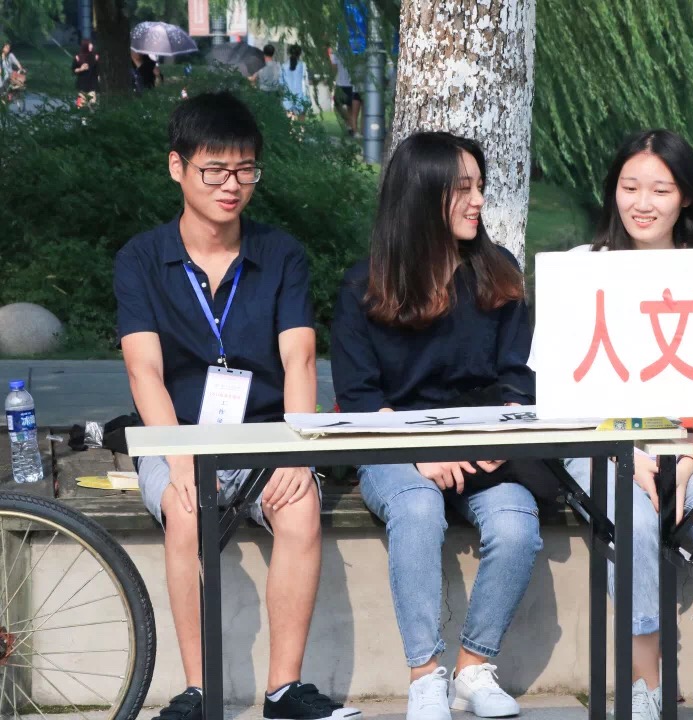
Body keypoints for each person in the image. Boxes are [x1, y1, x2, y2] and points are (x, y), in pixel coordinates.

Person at [113, 91, 361, 720]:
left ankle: (285, 690)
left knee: (300, 507)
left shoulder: (280, 255)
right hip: (178, 436)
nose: (232, 186)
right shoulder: (142, 259)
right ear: (177, 167)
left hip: (265, 434)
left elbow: (300, 361)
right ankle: (200, 691)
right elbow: (145, 372)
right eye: (215, 170)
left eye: (245, 170)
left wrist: (297, 452)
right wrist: (179, 462)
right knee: (185, 511)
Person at [331, 131, 541, 720]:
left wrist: (495, 437)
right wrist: (420, 451)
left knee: (517, 523)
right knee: (419, 508)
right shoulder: (364, 287)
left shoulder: (498, 274)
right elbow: (359, 398)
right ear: (423, 195)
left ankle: (474, 669)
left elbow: (518, 377)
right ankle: (425, 676)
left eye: (480, 187)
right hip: (393, 447)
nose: (479, 201)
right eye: (463, 189)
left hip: (481, 445)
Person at [563, 129, 693, 720]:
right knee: (631, 521)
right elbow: (558, 390)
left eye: (660, 189)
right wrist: (626, 451)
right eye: (630, 187)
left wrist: (692, 454)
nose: (642, 203)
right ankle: (645, 685)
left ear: (687, 197)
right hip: (603, 441)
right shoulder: (581, 268)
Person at [329, 47, 361, 138]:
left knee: (350, 107)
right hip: (341, 83)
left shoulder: (353, 52)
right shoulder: (337, 53)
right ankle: (350, 124)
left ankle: (352, 129)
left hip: (350, 84)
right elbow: (334, 68)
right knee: (338, 105)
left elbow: (333, 68)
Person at [281, 45, 309, 120]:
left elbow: (281, 83)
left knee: (289, 121)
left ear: (289, 53)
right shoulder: (303, 65)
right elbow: (306, 83)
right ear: (300, 54)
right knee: (301, 122)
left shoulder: (284, 66)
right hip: (301, 98)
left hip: (288, 98)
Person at [72, 39, 99, 105]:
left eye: (91, 45)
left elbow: (98, 70)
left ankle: (91, 110)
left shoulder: (96, 57)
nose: (91, 46)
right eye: (89, 45)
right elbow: (74, 70)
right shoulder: (78, 57)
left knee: (92, 104)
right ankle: (80, 110)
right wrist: (81, 69)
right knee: (80, 105)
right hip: (82, 84)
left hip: (92, 83)